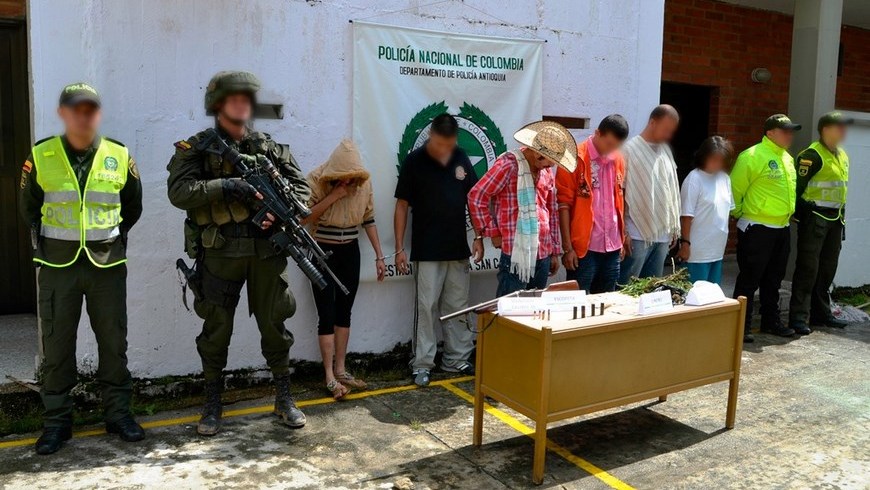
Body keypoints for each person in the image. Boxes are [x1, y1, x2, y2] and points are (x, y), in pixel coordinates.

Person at [166, 71, 308, 435]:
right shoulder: (197, 148)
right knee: (216, 329)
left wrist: (278, 213)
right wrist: (227, 186)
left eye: (247, 98)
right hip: (221, 252)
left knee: (275, 324)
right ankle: (212, 404)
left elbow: (301, 190)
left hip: (265, 252)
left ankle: (283, 397)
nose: (243, 104)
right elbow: (179, 192)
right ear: (217, 103)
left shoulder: (268, 146)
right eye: (234, 98)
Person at [19, 83, 145, 454]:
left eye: (90, 108)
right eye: (75, 109)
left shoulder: (118, 155)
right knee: (57, 348)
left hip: (107, 265)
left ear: (97, 114)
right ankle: (58, 424)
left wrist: (109, 239)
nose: (83, 115)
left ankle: (118, 415)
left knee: (113, 345)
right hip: (58, 266)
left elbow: (131, 207)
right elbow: (29, 208)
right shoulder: (42, 155)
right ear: (63, 113)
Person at [394, 114, 481, 387]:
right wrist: (398, 248)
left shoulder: (461, 157)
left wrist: (479, 236)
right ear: (431, 136)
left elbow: (475, 198)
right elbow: (401, 206)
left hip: (457, 246)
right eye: (441, 143)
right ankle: (422, 364)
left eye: (450, 144)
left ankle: (456, 360)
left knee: (457, 307)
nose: (445, 149)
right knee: (426, 307)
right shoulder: (414, 161)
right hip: (427, 249)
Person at [303, 139, 385, 398]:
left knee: (344, 311)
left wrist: (380, 256)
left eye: (353, 177)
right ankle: (328, 375)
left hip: (350, 249)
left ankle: (341, 369)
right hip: (321, 251)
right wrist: (335, 195)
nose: (349, 182)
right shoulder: (316, 178)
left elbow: (369, 219)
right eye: (344, 177)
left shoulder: (364, 182)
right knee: (325, 312)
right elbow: (304, 217)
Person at [469, 120, 574, 296]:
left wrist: (555, 251)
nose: (553, 165)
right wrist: (493, 232)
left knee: (534, 314)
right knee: (508, 313)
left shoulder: (546, 171)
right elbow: (477, 196)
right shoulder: (509, 165)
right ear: (537, 154)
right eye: (551, 160)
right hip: (514, 253)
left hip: (543, 253)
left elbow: (550, 210)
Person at [731, 114, 801, 342]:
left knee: (774, 278)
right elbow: (735, 190)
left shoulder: (788, 159)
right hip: (757, 227)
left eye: (791, 131)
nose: (789, 135)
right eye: (785, 131)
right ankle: (741, 326)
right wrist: (741, 214)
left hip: (781, 227)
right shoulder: (752, 155)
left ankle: (771, 321)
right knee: (750, 279)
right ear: (770, 133)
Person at [788, 112, 853, 334]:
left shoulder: (842, 155)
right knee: (808, 270)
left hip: (835, 220)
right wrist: (800, 213)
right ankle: (798, 317)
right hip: (815, 219)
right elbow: (796, 189)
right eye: (840, 127)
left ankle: (820, 314)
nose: (844, 131)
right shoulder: (811, 155)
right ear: (826, 129)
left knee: (827, 270)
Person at [556, 115, 629, 293]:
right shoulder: (574, 158)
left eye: (617, 146)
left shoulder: (618, 159)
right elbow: (563, 205)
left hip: (612, 245)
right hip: (583, 248)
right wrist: (568, 248)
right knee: (577, 305)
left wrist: (622, 235)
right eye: (609, 144)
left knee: (607, 303)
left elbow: (618, 200)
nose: (611, 150)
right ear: (597, 133)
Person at [619, 105, 682, 285]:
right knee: (627, 287)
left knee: (651, 289)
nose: (669, 135)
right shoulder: (629, 150)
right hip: (637, 233)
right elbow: (621, 192)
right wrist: (623, 232)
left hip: (662, 235)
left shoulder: (666, 151)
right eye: (666, 129)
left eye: (672, 131)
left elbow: (670, 190)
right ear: (652, 122)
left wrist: (672, 228)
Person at [677, 136, 735, 285]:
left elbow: (726, 211)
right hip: (697, 251)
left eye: (721, 160)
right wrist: (685, 244)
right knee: (694, 296)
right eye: (713, 159)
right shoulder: (694, 179)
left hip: (717, 249)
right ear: (703, 156)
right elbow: (686, 216)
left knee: (712, 297)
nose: (717, 164)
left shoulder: (725, 179)